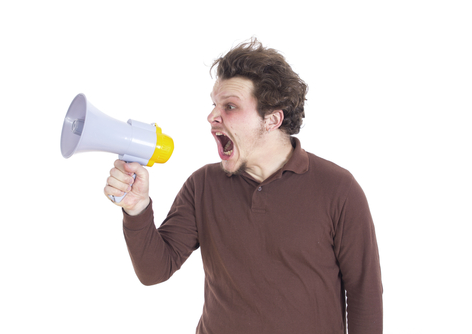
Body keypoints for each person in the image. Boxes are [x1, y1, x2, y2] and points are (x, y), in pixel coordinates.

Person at [104, 38, 383, 334]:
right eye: (214, 104)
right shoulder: (203, 186)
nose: (212, 116)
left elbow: (364, 293)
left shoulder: (338, 188)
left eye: (231, 106)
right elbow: (154, 271)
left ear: (272, 119)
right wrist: (137, 209)